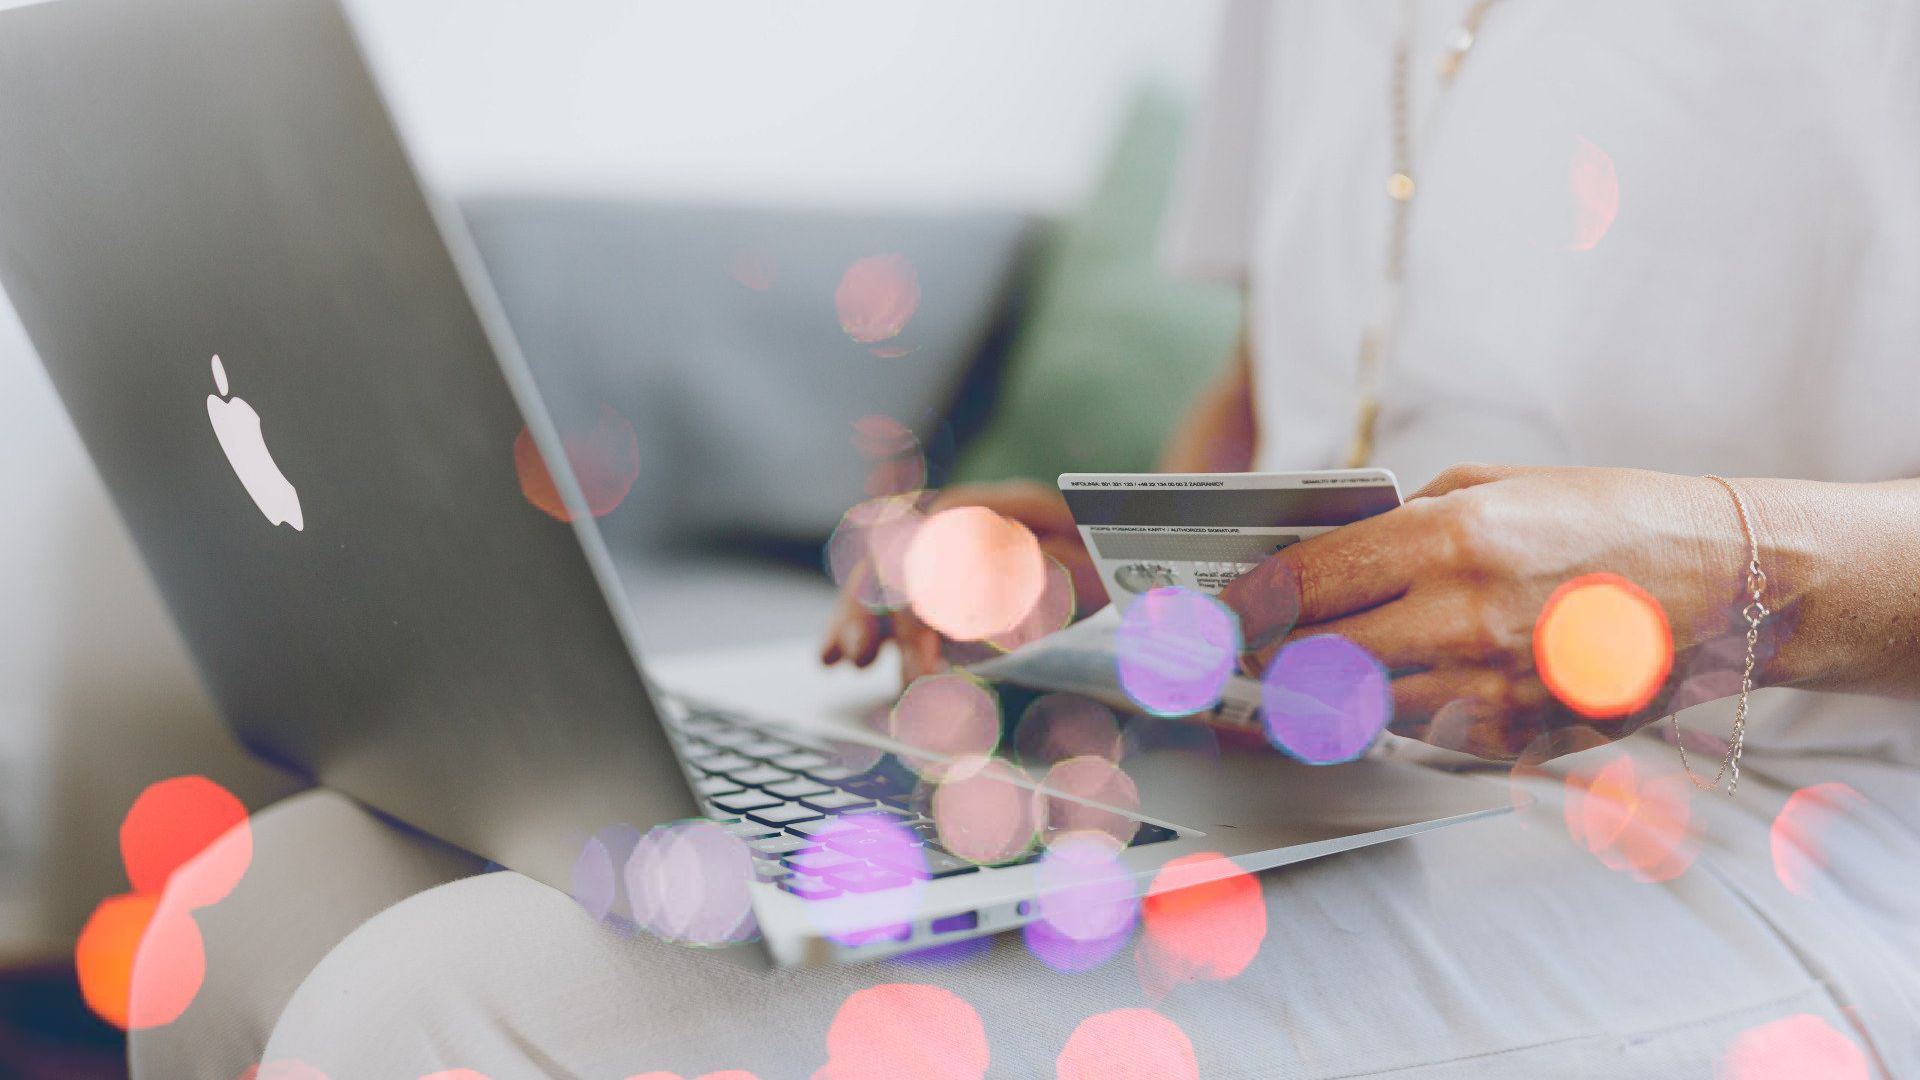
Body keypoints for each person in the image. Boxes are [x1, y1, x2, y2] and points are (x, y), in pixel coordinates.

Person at [135, 1, 1920, 1076]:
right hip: (1318, 760)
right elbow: (1280, 386)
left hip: (1780, 818)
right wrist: (1113, 559)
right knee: (246, 907)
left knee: (442, 1032)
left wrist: (1724, 565)